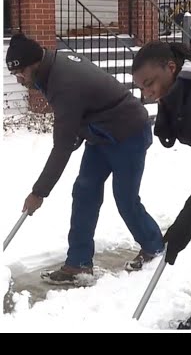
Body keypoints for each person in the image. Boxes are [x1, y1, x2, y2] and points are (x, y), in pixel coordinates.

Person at [6, 33, 165, 284]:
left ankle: (154, 248)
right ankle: (78, 264)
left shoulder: (63, 81)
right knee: (84, 192)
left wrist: (39, 192)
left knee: (125, 198)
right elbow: (82, 114)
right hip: (101, 134)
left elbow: (62, 147)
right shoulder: (50, 70)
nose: (20, 79)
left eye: (20, 73)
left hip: (128, 132)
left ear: (33, 64)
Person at [131, 41, 191, 330]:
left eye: (149, 83)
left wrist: (182, 230)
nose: (146, 93)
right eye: (141, 88)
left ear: (171, 68)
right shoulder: (179, 90)